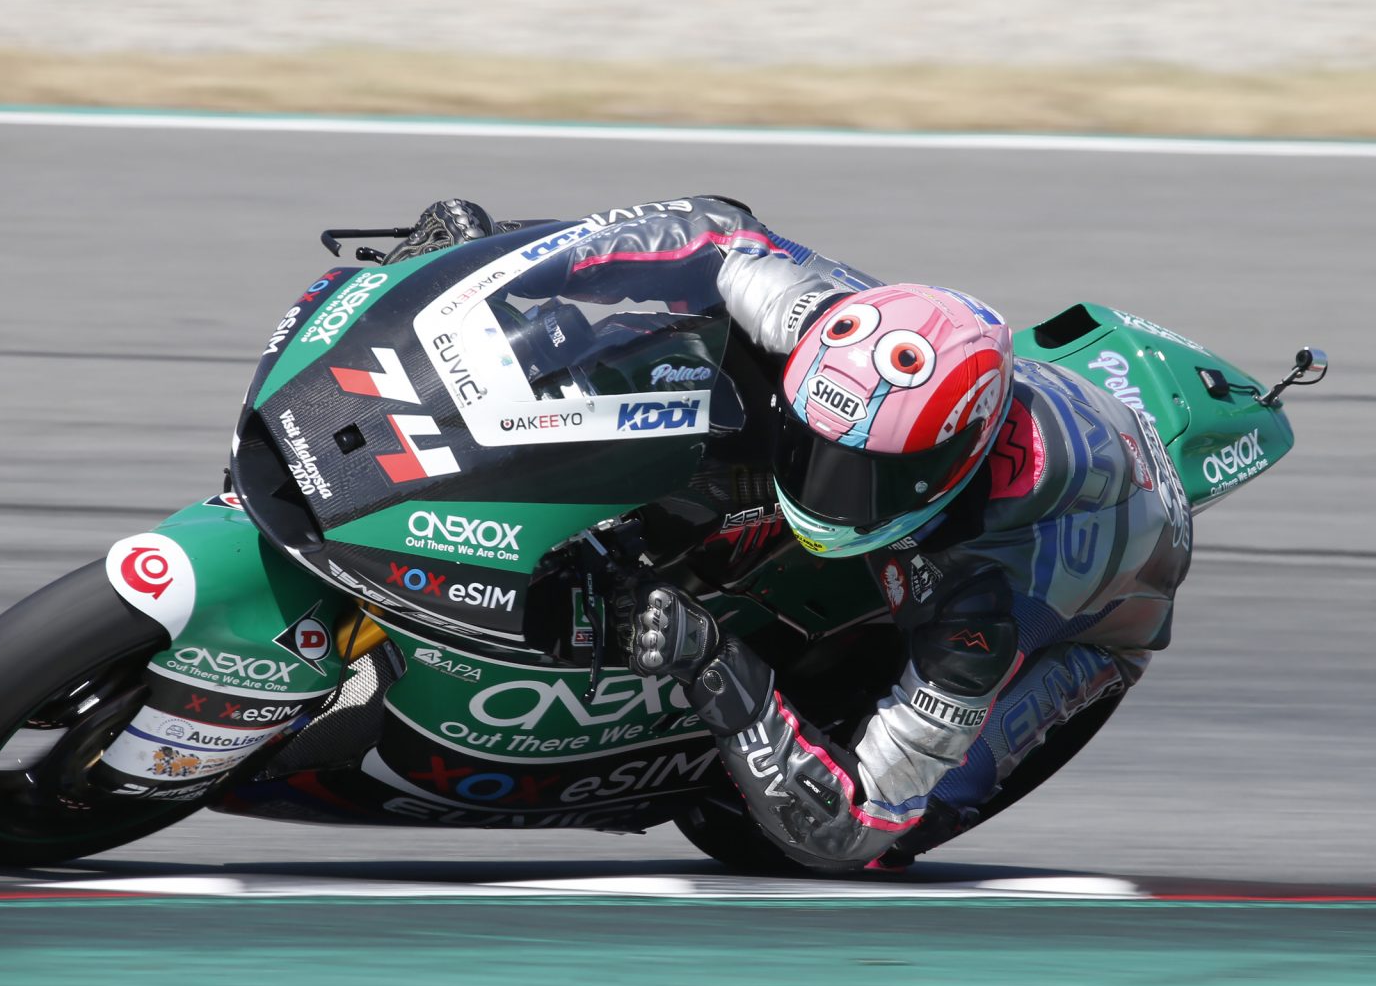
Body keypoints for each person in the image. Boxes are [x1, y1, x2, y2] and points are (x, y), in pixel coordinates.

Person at [391, 197, 1193, 872]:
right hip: (974, 454)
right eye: (813, 450)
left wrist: (714, 661)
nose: (820, 487)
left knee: (858, 840)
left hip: (1099, 604)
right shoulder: (832, 322)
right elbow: (707, 231)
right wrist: (498, 262)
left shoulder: (984, 607)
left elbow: (856, 822)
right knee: (708, 370)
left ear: (940, 467)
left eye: (855, 475)